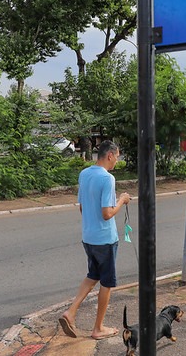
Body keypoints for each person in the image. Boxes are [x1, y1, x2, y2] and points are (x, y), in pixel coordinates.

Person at [59, 140, 131, 340]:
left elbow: (82, 207)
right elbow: (107, 213)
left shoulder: (85, 174)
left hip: (88, 237)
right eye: (117, 156)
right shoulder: (107, 179)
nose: (117, 160)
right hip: (105, 239)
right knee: (107, 282)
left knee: (93, 274)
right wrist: (122, 200)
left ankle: (70, 312)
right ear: (109, 155)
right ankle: (98, 328)